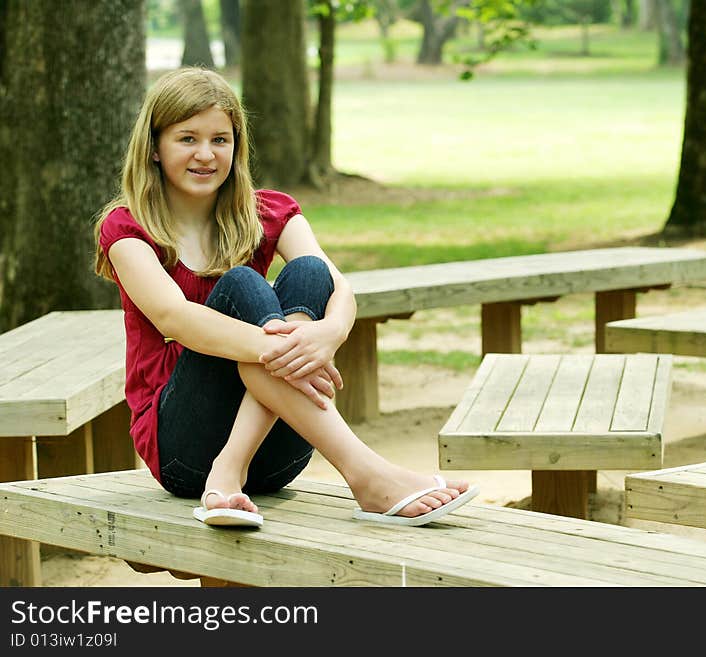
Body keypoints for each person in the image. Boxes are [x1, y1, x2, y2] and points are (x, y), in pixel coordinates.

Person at [93, 67, 477, 528]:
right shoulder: (126, 227)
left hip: (278, 456)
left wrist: (327, 335)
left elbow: (340, 287)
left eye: (220, 139)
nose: (206, 154)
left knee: (309, 273)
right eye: (187, 139)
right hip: (184, 451)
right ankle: (366, 473)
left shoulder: (269, 212)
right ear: (154, 147)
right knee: (242, 285)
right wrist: (288, 350)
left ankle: (233, 468)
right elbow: (174, 317)